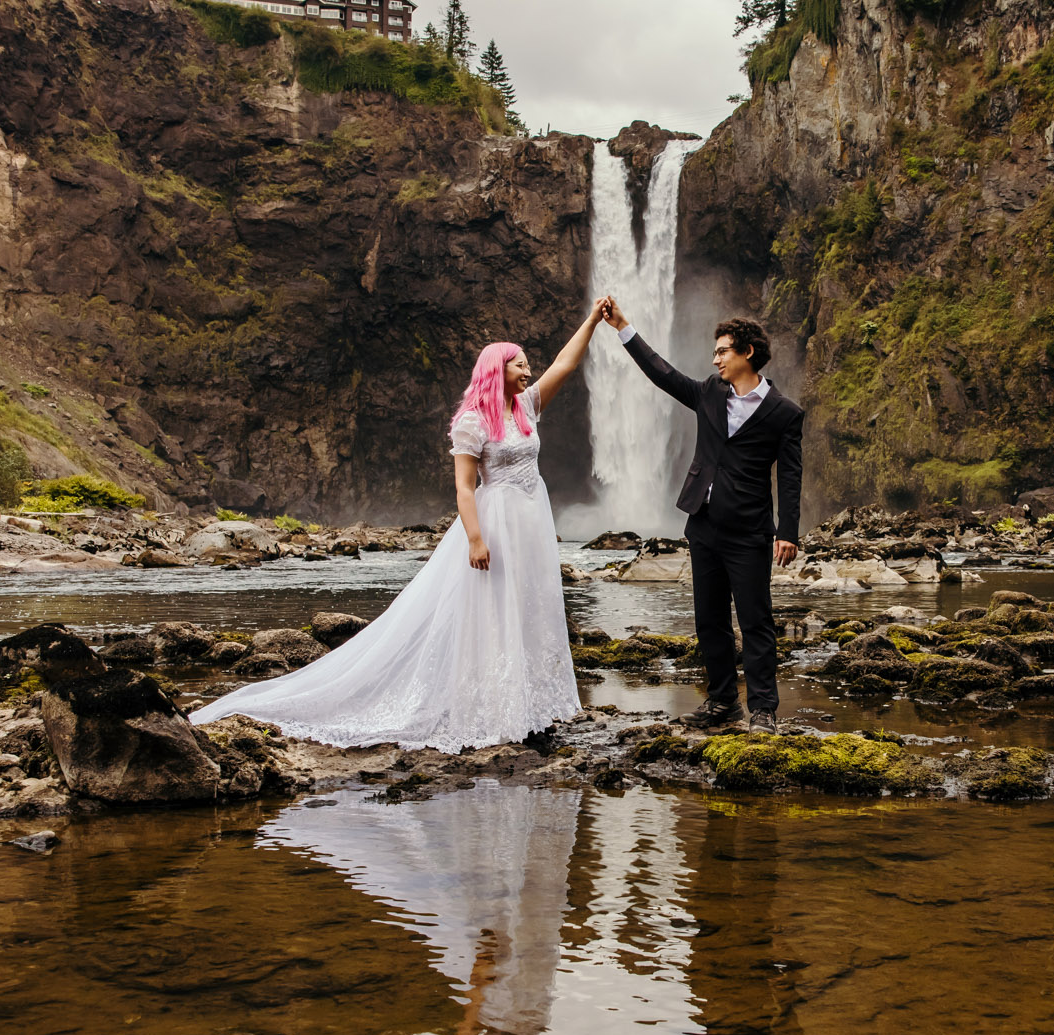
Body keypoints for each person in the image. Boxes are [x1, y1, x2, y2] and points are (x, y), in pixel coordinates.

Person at [191, 305, 608, 750]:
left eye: (528, 363)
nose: (529, 369)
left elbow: (566, 362)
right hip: (496, 520)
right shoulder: (473, 421)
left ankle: (529, 707)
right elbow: (465, 489)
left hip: (531, 520)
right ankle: (492, 710)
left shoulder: (526, 406)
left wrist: (591, 322)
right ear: (496, 370)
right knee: (492, 613)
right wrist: (475, 539)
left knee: (528, 607)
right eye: (520, 363)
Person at [598, 296, 803, 730]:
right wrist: (623, 327)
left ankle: (763, 709)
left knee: (755, 619)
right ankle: (723, 702)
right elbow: (664, 375)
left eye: (722, 351)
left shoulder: (784, 413)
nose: (715, 360)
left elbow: (789, 475)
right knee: (709, 620)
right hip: (703, 523)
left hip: (750, 529)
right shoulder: (710, 393)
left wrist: (788, 531)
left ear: (748, 353)